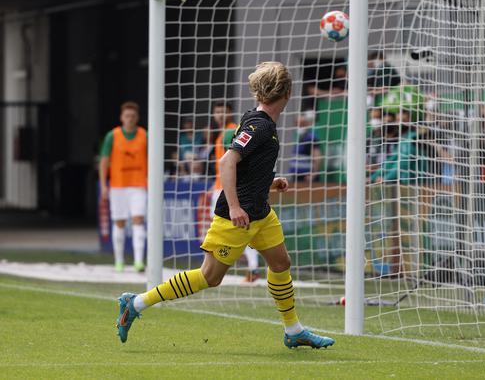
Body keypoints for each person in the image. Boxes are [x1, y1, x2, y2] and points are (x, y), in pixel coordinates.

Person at [116, 62, 335, 349]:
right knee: (209, 277)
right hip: (238, 217)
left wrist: (270, 182)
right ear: (287, 93)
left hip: (260, 212)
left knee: (281, 263)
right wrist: (234, 207)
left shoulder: (257, 120)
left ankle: (293, 331)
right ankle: (136, 303)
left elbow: (246, 169)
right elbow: (227, 161)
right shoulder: (259, 125)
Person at [211, 103, 260, 283]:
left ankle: (249, 268)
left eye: (223, 110)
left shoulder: (230, 132)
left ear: (230, 113)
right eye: (217, 111)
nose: (220, 114)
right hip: (220, 186)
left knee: (230, 229)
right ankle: (250, 268)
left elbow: (234, 163)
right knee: (233, 230)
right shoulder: (223, 132)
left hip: (226, 189)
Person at [99, 101, 148, 273]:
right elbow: (103, 161)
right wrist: (104, 185)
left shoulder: (144, 135)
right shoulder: (112, 136)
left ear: (137, 118)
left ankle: (138, 261)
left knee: (138, 220)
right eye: (127, 116)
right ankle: (119, 261)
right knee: (119, 222)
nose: (130, 119)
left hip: (138, 185)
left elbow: (152, 158)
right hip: (118, 185)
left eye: (133, 116)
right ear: (121, 117)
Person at [288, 110, 322, 183]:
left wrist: (313, 175)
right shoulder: (295, 137)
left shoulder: (311, 138)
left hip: (306, 177)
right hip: (295, 176)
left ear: (307, 124)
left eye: (302, 124)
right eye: (297, 124)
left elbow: (317, 158)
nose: (299, 126)